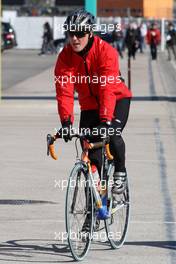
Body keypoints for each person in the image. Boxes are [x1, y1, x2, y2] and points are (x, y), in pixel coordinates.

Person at [54, 9, 132, 196]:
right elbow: (64, 91)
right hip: (89, 106)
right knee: (91, 157)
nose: (75, 38)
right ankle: (94, 209)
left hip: (117, 98)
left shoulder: (106, 51)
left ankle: (120, 171)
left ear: (90, 33)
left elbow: (107, 87)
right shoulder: (65, 57)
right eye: (71, 33)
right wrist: (66, 122)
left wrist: (105, 121)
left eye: (80, 33)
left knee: (112, 134)